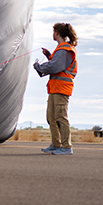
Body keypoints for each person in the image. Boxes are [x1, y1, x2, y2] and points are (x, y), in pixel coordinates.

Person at [33, 23, 78, 155]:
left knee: (60, 117)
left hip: (61, 88)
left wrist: (38, 67)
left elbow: (55, 66)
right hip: (55, 88)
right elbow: (57, 63)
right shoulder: (61, 49)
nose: (52, 34)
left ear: (57, 33)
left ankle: (66, 147)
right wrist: (49, 56)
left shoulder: (64, 49)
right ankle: (56, 144)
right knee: (51, 117)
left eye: (53, 32)